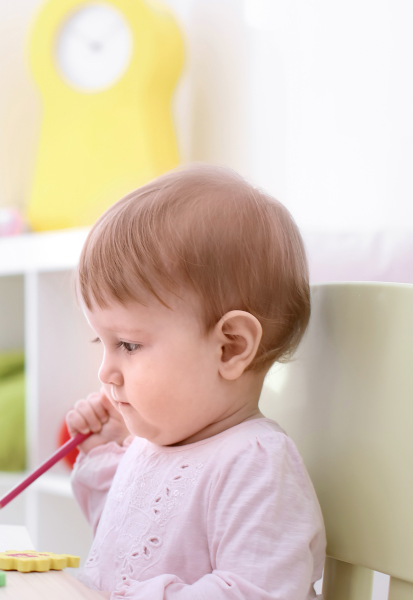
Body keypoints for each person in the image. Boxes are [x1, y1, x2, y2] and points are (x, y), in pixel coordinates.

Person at [64, 166, 325, 597]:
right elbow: (120, 551)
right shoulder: (155, 447)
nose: (105, 371)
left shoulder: (255, 464)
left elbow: (253, 591)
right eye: (102, 341)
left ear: (229, 348)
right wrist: (104, 453)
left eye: (127, 344)